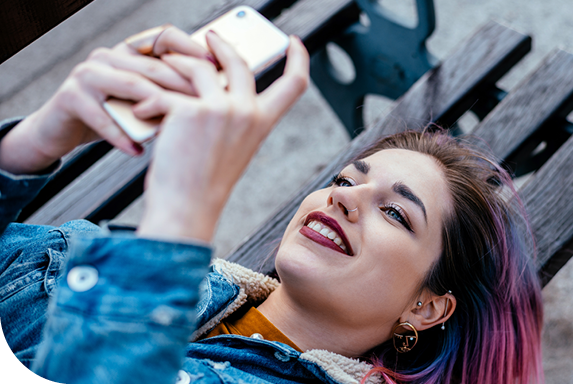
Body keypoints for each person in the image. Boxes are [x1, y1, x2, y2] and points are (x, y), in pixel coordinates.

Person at [0, 23, 543, 384]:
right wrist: (29, 149)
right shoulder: (144, 272)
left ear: (423, 308)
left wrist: (181, 214)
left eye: (396, 213)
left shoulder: (152, 269)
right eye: (346, 179)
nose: (346, 199)